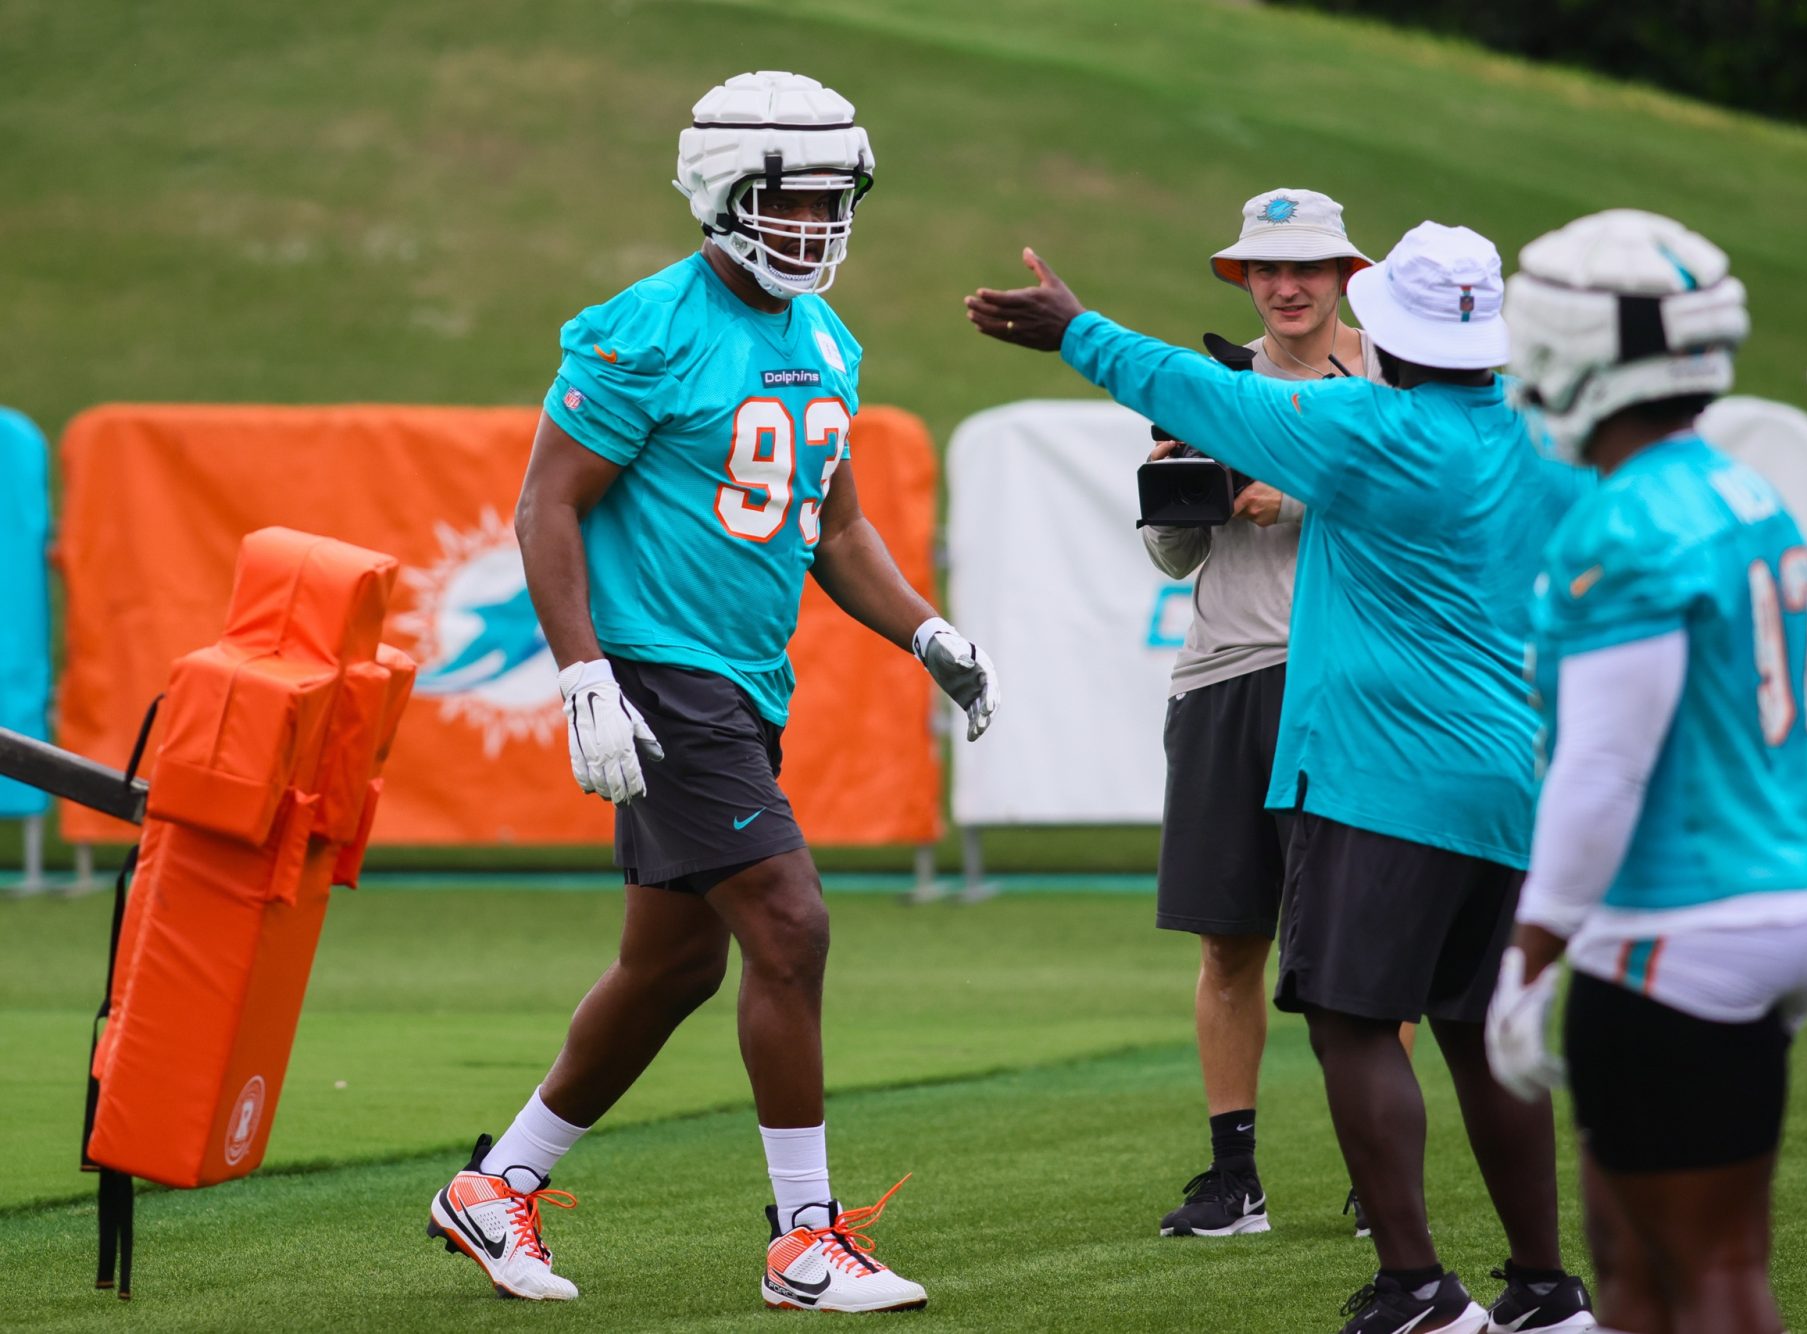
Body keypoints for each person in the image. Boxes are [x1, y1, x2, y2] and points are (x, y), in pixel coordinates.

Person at [424, 71, 998, 1312]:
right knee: (789, 924)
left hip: (745, 685)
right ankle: (802, 1234)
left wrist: (927, 630)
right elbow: (546, 507)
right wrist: (584, 669)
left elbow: (834, 530)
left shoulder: (826, 340)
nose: (818, 227)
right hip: (660, 677)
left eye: (834, 200)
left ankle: (494, 1184)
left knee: (674, 965)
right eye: (791, 201)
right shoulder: (643, 328)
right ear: (722, 193)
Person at [967, 221, 1591, 1334]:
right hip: (1506, 779)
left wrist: (1073, 327)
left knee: (1352, 1020)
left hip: (1377, 772)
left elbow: (1197, 393)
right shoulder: (1536, 444)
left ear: (1388, 333)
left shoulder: (1365, 423)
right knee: (1476, 1033)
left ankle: (1415, 1289)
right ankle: (1545, 1290)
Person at [1485, 209, 1807, 1333]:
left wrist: (1530, 946)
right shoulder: (1747, 494)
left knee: (1710, 1271)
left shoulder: (1624, 523)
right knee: (1631, 1262)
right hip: (1783, 896)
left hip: (1681, 923)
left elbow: (1600, 767)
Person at [1145, 189, 1382, 1241]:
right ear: (1243, 280)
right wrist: (1173, 482)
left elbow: (1433, 504)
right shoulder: (1210, 384)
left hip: (1351, 681)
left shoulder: (1391, 377)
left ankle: (1382, 1170)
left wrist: (1292, 491)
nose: (1285, 287)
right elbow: (1174, 552)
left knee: (1367, 939)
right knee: (1225, 937)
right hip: (1220, 676)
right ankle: (1231, 1177)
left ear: (1342, 275)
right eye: (1265, 270)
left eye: (1306, 268)